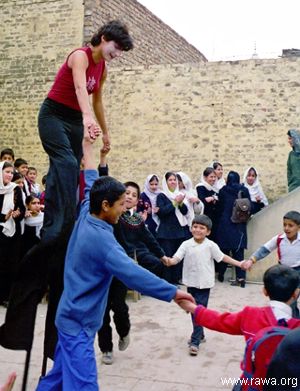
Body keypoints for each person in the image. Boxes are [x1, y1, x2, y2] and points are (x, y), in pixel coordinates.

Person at [35, 134, 195, 390]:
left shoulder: (89, 207)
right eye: (120, 204)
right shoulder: (103, 242)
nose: (124, 209)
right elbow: (134, 274)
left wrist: (88, 145)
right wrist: (174, 293)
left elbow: (88, 176)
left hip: (69, 318)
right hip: (77, 325)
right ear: (106, 205)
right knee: (85, 385)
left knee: (56, 380)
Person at [38, 20, 133, 246]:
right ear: (103, 39)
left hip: (75, 119)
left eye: (121, 51)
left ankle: (55, 220)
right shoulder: (80, 56)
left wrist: (106, 132)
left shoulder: (103, 69)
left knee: (62, 168)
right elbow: (81, 88)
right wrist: (87, 117)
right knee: (68, 164)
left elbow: (97, 101)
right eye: (116, 47)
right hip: (53, 115)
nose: (117, 54)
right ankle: (65, 219)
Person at [180, 265, 300, 389]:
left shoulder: (251, 315)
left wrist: (192, 308)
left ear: (264, 291)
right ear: (296, 293)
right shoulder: (296, 328)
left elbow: (220, 321)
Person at [98, 180, 169, 365]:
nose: (129, 196)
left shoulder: (136, 220)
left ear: (137, 200)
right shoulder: (108, 215)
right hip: (102, 266)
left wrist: (162, 256)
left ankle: (124, 331)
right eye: (126, 193)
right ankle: (106, 348)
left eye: (133, 195)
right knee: (102, 309)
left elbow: (149, 239)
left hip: (123, 266)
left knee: (119, 306)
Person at [166, 214, 249, 356]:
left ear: (208, 231)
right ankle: (201, 334)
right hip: (191, 283)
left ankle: (195, 341)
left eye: (202, 228)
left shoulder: (211, 245)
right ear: (191, 228)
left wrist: (239, 264)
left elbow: (222, 257)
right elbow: (176, 258)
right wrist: (169, 261)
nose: (198, 230)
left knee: (197, 311)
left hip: (205, 284)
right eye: (195, 227)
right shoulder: (186, 244)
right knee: (195, 311)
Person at [247, 210, 300, 318]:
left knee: (292, 301)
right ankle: (292, 325)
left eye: (291, 225)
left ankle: (293, 326)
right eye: (284, 225)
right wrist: (251, 260)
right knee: (287, 302)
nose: (286, 228)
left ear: (298, 227)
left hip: (298, 272)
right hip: (283, 273)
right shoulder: (279, 239)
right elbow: (264, 249)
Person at [215, 171, 251, 287]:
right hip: (239, 224)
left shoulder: (223, 190)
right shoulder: (243, 190)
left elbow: (219, 208)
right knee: (238, 252)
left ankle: (221, 274)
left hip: (225, 224)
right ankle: (240, 278)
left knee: (224, 251)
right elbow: (250, 207)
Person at [156, 171, 191, 284]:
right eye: (170, 180)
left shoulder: (179, 195)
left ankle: (176, 279)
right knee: (168, 256)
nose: (173, 182)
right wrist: (175, 203)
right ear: (165, 182)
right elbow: (162, 212)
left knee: (178, 256)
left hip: (179, 231)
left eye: (174, 180)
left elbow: (185, 211)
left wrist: (180, 203)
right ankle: (167, 281)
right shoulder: (161, 196)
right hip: (166, 232)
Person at [0, 161, 25, 307]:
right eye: (6, 172)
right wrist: (3, 217)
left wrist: (17, 214)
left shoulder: (15, 189)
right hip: (0, 231)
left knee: (10, 264)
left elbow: (21, 208)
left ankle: (7, 296)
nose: (9, 175)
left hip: (12, 231)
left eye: (11, 172)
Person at [196, 167, 220, 241]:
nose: (213, 179)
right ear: (205, 177)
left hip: (214, 219)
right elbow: (201, 200)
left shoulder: (215, 189)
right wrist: (211, 199)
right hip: (205, 218)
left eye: (214, 177)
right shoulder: (200, 187)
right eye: (211, 177)